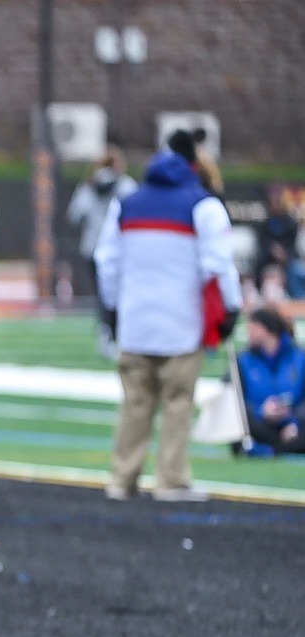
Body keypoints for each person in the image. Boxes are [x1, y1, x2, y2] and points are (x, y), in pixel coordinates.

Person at [95, 130, 243, 503]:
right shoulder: (203, 205)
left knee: (135, 403)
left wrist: (113, 308)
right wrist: (230, 310)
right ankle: (171, 480)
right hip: (182, 323)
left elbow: (106, 261)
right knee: (177, 404)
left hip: (135, 321)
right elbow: (219, 266)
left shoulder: (126, 204)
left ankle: (122, 478)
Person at [65, 145, 137, 357]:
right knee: (120, 294)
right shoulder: (125, 185)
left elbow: (75, 214)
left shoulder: (88, 186)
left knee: (102, 294)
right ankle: (119, 335)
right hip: (119, 250)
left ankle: (105, 333)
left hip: (93, 247)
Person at [236, 307, 305, 456]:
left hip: (295, 425)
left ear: (265, 329)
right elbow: (234, 398)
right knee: (240, 419)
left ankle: (268, 450)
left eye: (251, 328)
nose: (248, 333)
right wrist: (261, 411)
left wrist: (295, 421)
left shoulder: (300, 357)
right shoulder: (242, 361)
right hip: (261, 425)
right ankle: (279, 448)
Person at [254, 192, 300, 298]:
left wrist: (283, 251)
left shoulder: (290, 221)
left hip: (287, 252)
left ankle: (293, 294)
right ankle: (259, 290)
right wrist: (273, 248)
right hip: (269, 254)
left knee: (293, 265)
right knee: (259, 260)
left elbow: (292, 240)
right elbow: (263, 240)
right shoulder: (267, 222)